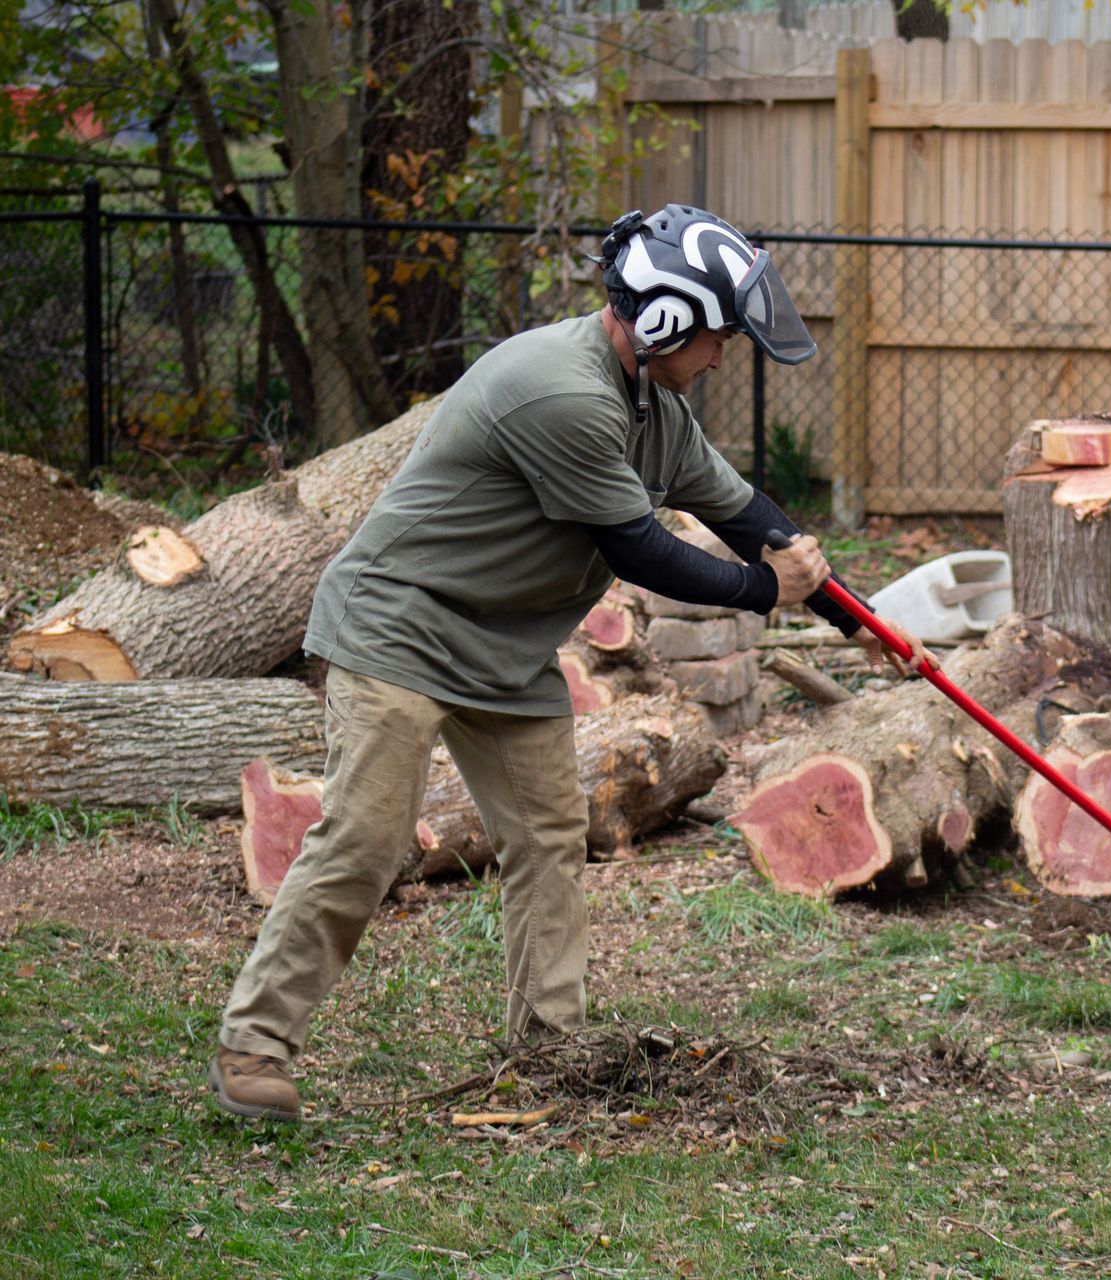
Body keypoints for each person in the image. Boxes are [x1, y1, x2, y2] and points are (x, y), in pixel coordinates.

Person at [208, 204, 929, 1121]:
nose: (722, 356)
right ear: (664, 318)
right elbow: (642, 551)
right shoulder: (564, 392)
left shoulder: (653, 407)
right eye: (717, 337)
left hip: (504, 648)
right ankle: (254, 1047)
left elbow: (750, 516)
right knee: (364, 839)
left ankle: (549, 1053)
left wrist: (856, 619)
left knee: (549, 839)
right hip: (400, 628)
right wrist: (764, 592)